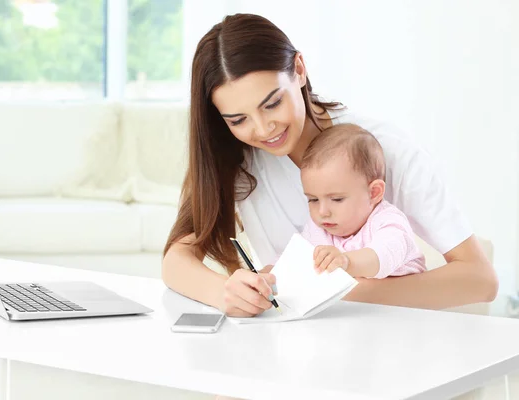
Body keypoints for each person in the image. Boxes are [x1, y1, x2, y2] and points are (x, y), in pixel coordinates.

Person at [162, 13, 498, 318]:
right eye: (238, 120)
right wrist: (226, 293)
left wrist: (346, 292)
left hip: (385, 340)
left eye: (273, 103)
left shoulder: (384, 149)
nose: (263, 130)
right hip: (293, 341)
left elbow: (479, 280)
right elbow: (176, 261)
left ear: (299, 70)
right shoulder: (235, 157)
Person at [298, 122, 426, 279]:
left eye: (337, 199)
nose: (322, 211)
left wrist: (346, 262)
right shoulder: (317, 229)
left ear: (373, 193)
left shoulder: (389, 222)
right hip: (352, 303)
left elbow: (380, 257)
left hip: (401, 301)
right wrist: (272, 275)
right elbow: (296, 262)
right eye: (313, 199)